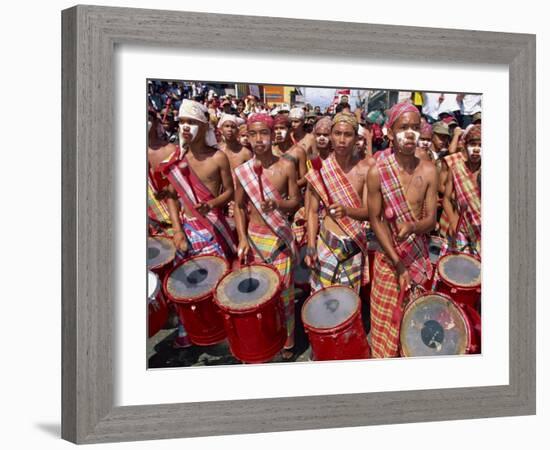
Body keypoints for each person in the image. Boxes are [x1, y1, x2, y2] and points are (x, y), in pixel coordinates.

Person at [367, 101, 438, 358]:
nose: (410, 133)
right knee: (385, 328)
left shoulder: (429, 170)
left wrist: (413, 226)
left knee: (414, 327)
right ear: (389, 132)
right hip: (388, 260)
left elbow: (431, 220)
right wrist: (398, 265)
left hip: (417, 258)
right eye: (403, 127)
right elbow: (375, 220)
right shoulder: (377, 170)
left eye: (415, 127)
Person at [234, 113, 301, 359]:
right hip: (254, 239)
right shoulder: (242, 171)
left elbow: (296, 200)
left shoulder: (286, 165)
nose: (259, 139)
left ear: (273, 136)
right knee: (258, 295)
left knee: (283, 294)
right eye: (253, 134)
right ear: (248, 138)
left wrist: (278, 205)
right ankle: (263, 337)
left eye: (264, 133)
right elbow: (239, 207)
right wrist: (242, 238)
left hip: (279, 240)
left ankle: (287, 338)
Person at [160, 99, 237, 259]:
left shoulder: (218, 157)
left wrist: (211, 204)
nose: (185, 126)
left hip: (213, 227)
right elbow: (172, 197)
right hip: (187, 228)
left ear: (204, 127)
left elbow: (230, 191)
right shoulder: (176, 158)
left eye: (191, 122)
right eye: (181, 122)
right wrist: (177, 230)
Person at [305, 113, 372, 293]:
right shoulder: (320, 170)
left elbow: (369, 212)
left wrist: (347, 211)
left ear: (356, 138)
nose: (342, 140)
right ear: (331, 136)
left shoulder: (365, 169)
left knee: (348, 302)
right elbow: (311, 211)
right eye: (337, 133)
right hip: (327, 243)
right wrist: (311, 245)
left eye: (348, 134)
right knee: (321, 298)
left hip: (353, 243)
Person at [442, 125, 482, 255]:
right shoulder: (456, 168)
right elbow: (446, 199)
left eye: (481, 145)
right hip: (461, 230)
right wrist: (453, 221)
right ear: (465, 146)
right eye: (473, 144)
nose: (476, 149)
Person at [272, 115, 308, 188]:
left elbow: (304, 178)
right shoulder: (270, 150)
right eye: (275, 129)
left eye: (282, 128)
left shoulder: (298, 151)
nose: (278, 132)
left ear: (290, 130)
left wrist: (290, 188)